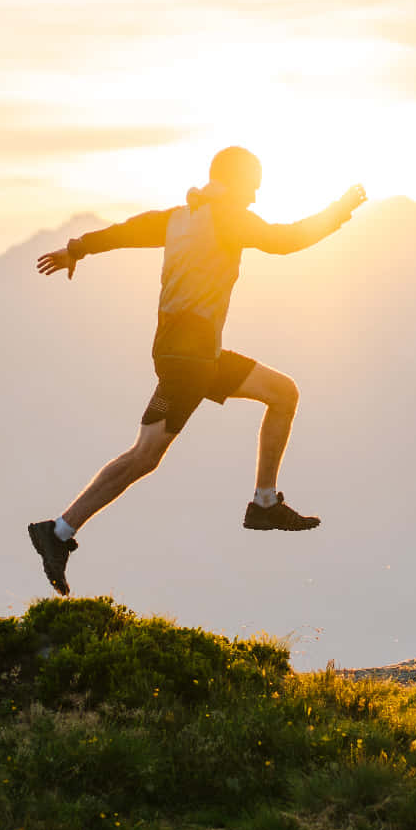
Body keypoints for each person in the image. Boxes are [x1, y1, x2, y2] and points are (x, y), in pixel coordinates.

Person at [27, 146, 366, 594]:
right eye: (255, 185)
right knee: (144, 456)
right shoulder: (228, 216)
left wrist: (76, 250)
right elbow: (287, 240)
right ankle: (58, 532)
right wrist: (341, 209)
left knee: (283, 393)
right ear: (239, 182)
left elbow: (124, 233)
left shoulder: (178, 216)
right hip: (188, 361)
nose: (257, 195)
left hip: (199, 356)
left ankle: (264, 503)